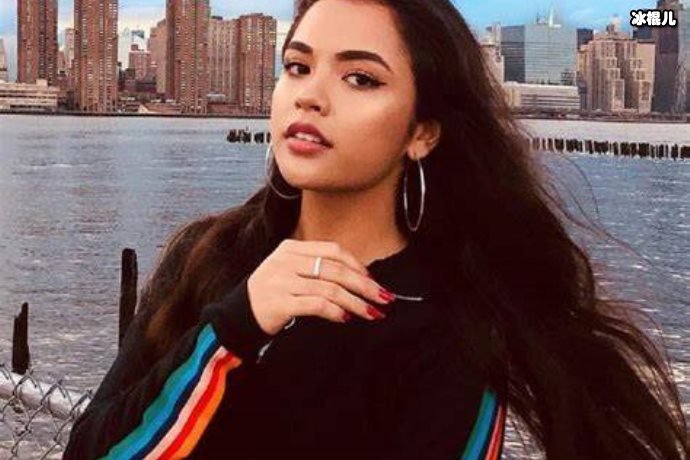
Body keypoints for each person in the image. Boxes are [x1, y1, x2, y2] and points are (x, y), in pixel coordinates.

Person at [64, 0, 689, 458]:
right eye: (297, 66)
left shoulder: (453, 326)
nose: (310, 96)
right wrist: (235, 326)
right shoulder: (209, 256)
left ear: (422, 133)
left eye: (360, 78)